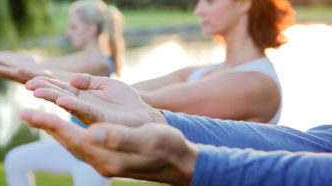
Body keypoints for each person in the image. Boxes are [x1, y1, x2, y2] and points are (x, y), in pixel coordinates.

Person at [21, 73, 332, 185]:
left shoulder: (254, 82)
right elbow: (318, 145)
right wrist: (154, 118)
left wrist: (190, 163)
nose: (197, 9)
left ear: (244, 3)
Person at [0, 0, 125, 186]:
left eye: (73, 27)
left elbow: (41, 67)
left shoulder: (99, 64)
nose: (67, 33)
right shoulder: (83, 58)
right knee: (15, 161)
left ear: (91, 29)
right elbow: (32, 62)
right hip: (75, 146)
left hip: (92, 158)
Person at [131, 0, 294, 124]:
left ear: (243, 3)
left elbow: (144, 102)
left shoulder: (258, 83)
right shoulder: (197, 73)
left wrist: (105, 92)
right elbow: (129, 93)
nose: (198, 11)